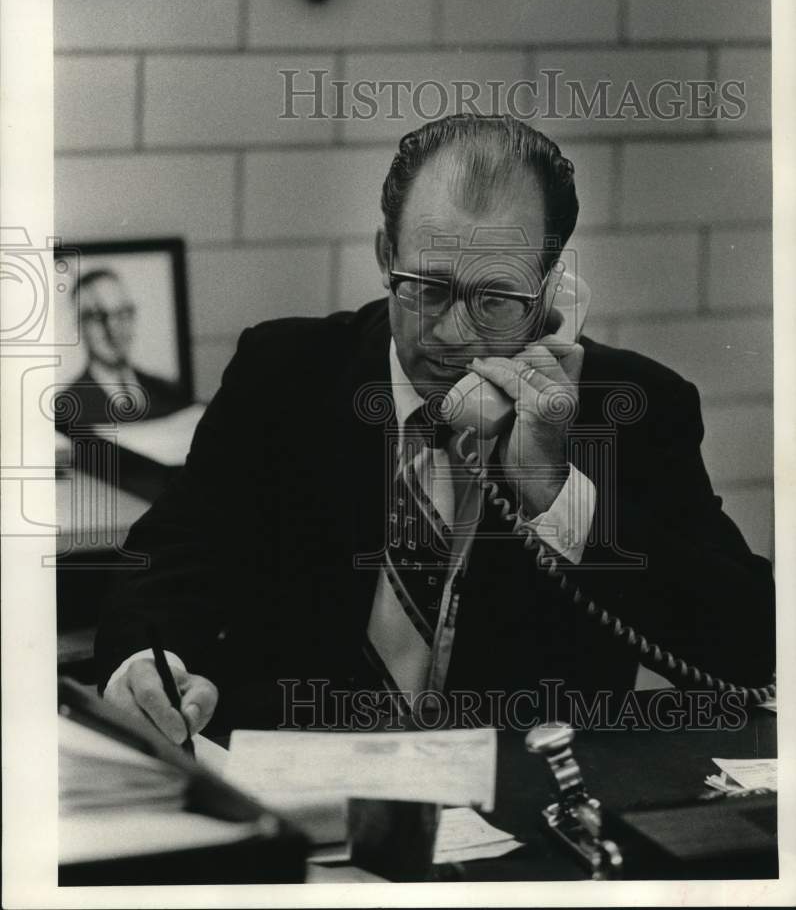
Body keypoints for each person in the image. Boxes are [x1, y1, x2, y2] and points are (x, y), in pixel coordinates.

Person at [97, 114, 775, 742]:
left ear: (551, 293)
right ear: (384, 252)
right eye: (428, 287)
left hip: (524, 825)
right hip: (302, 797)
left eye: (497, 299)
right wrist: (142, 666)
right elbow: (166, 560)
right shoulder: (285, 375)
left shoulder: (632, 408)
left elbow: (749, 651)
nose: (454, 336)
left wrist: (555, 490)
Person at [56, 268, 187, 429]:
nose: (113, 329)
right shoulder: (65, 408)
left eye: (122, 313)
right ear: (79, 326)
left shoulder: (167, 391)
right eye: (97, 317)